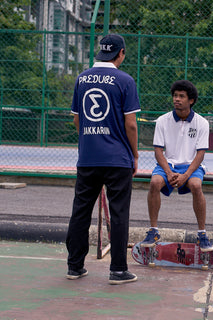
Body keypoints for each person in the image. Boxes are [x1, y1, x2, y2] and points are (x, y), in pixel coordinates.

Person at [66, 34, 140, 285]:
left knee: (80, 211)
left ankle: (75, 266)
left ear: (100, 52)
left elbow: (77, 119)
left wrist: (91, 139)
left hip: (88, 157)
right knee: (119, 213)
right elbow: (131, 124)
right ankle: (118, 270)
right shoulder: (125, 81)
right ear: (121, 53)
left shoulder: (82, 78)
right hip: (117, 158)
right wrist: (135, 154)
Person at [140, 80, 213, 252]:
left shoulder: (202, 123)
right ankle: (154, 231)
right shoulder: (162, 121)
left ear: (191, 100)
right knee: (154, 183)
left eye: (181, 96)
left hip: (191, 167)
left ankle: (202, 234)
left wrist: (186, 175)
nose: (176, 99)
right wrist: (169, 171)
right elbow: (158, 151)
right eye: (175, 96)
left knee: (196, 185)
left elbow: (200, 154)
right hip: (168, 164)